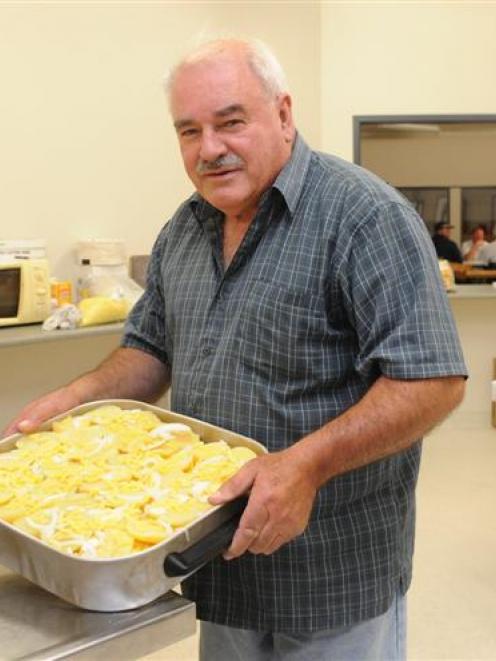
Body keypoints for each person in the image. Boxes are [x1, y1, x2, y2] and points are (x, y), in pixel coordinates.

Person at [4, 39, 466, 661]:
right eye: (188, 130)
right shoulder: (185, 228)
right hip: (214, 564)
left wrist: (306, 464)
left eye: (230, 121)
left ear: (282, 113)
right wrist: (75, 400)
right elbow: (149, 350)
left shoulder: (365, 217)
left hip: (328, 573)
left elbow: (432, 380)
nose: (209, 148)